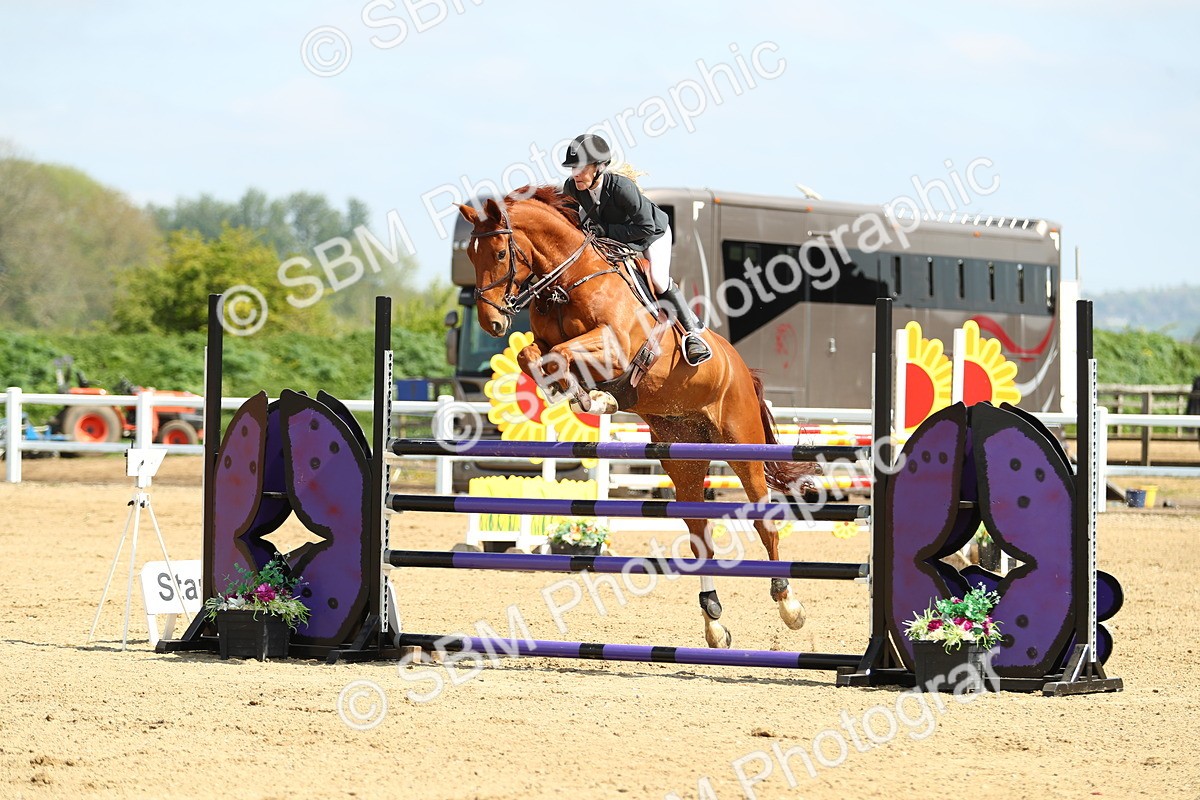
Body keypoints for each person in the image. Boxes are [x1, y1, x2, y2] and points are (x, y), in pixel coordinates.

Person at [560, 133, 712, 366]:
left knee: (658, 279)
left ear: (600, 167)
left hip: (652, 234)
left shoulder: (621, 188)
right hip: (616, 238)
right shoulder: (573, 187)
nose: (575, 174)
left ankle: (692, 334)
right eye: (572, 167)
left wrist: (605, 231)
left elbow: (646, 226)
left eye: (581, 167)